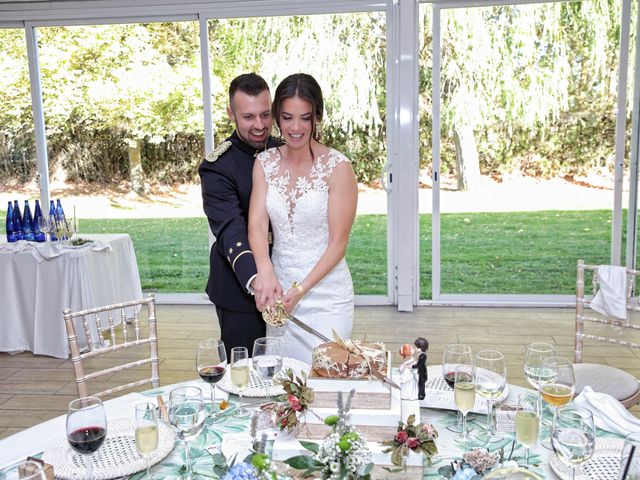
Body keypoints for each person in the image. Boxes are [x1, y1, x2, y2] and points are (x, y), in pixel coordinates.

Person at [248, 73, 358, 364]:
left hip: (326, 296)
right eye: (287, 117)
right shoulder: (264, 164)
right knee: (285, 384)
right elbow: (257, 226)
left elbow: (338, 244)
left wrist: (300, 290)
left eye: (305, 118)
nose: (295, 128)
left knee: (324, 382)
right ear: (276, 118)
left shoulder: (338, 168)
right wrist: (264, 269)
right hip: (280, 293)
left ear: (317, 118)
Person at [198, 73, 282, 359]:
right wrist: (255, 279)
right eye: (248, 117)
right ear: (231, 114)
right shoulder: (218, 166)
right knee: (243, 375)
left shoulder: (286, 151)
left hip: (289, 279)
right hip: (240, 288)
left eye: (265, 114)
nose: (259, 126)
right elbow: (230, 230)